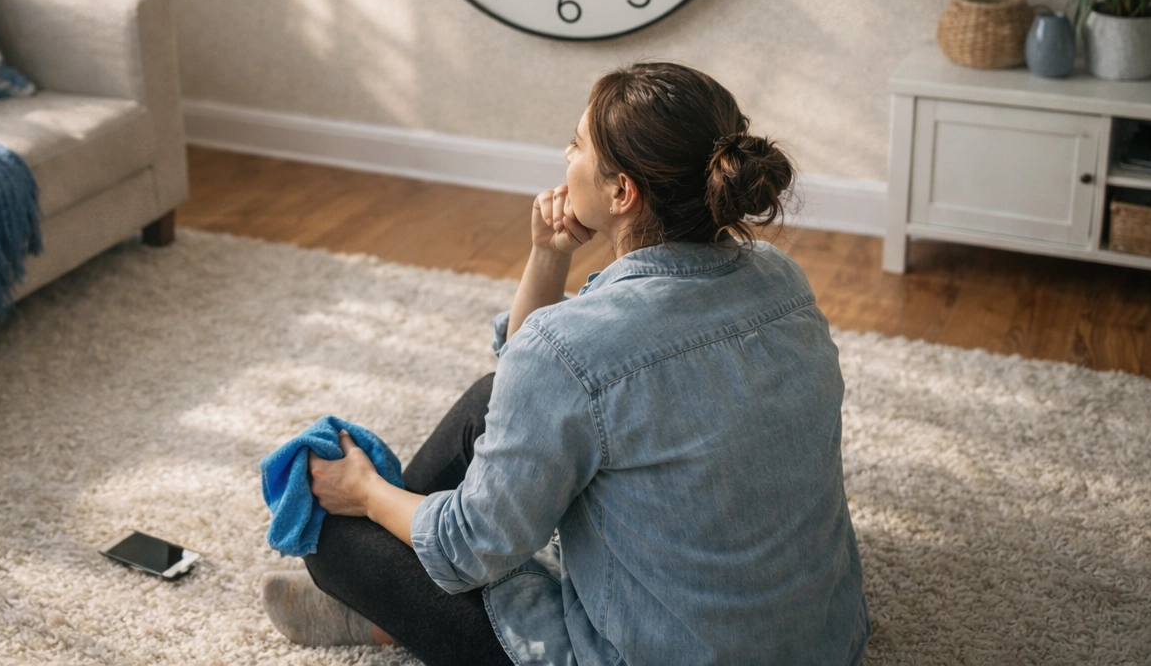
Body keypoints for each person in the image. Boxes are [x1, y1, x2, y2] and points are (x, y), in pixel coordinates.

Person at [261, 61, 870, 666]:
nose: (565, 154)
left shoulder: (572, 347)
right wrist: (548, 257)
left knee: (336, 542)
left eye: (576, 144)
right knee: (489, 398)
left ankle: (378, 613)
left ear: (622, 192)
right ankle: (390, 608)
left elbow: (471, 546)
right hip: (826, 647)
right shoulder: (780, 277)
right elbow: (526, 382)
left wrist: (366, 491)